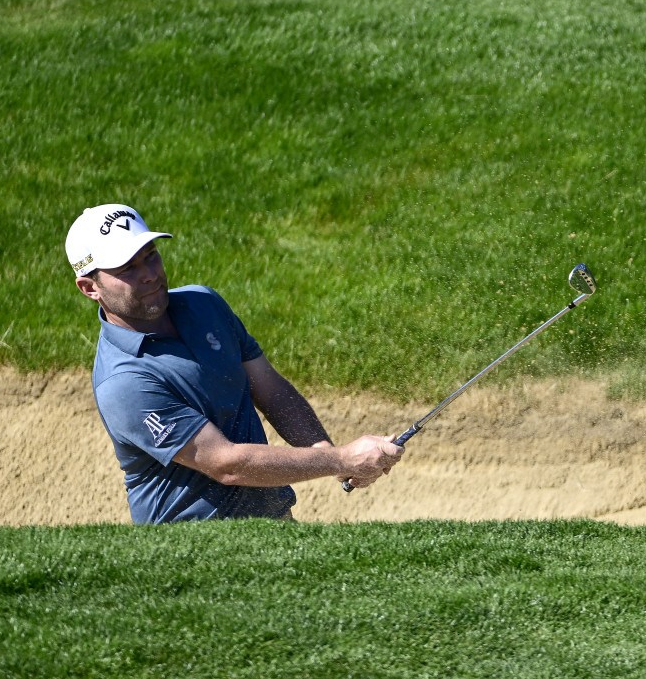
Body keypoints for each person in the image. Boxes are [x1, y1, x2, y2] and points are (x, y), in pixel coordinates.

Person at [65, 203, 403, 524]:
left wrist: (325, 451)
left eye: (150, 256)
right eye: (127, 268)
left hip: (273, 524)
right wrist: (342, 459)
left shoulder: (205, 304)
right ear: (89, 287)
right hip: (195, 551)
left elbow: (269, 389)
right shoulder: (123, 382)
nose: (150, 274)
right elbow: (227, 464)